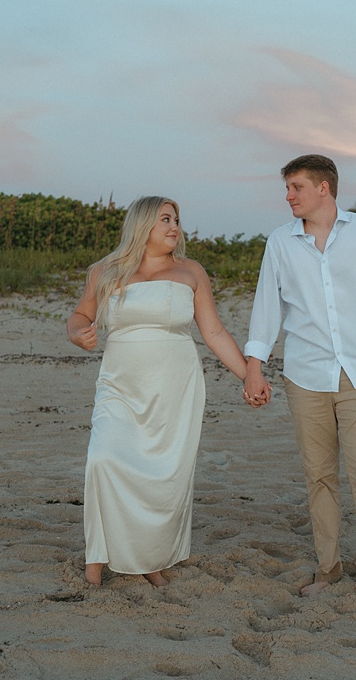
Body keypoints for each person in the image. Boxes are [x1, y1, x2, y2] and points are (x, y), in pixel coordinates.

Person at [242, 155, 356, 617]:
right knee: (319, 476)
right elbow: (267, 309)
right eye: (287, 188)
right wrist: (253, 366)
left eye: (296, 186)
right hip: (305, 375)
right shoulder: (280, 242)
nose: (288, 195)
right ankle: (328, 571)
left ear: (324, 188)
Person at [68, 196, 249, 587]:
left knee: (162, 476)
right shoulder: (105, 271)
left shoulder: (190, 272)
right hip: (120, 384)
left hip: (174, 387)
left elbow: (214, 332)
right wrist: (77, 333)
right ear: (142, 225)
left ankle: (149, 558)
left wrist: (249, 374)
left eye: (177, 220)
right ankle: (96, 560)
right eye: (165, 219)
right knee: (103, 460)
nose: (174, 227)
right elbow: (81, 314)